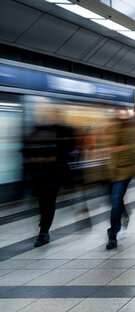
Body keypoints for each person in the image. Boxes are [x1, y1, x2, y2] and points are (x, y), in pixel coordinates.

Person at [22, 104, 75, 247]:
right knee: (43, 203)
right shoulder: (34, 133)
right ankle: (43, 227)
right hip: (38, 176)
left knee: (48, 203)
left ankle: (44, 231)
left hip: (53, 175)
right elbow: (26, 152)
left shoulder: (62, 132)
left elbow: (67, 153)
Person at [105, 110, 135, 250]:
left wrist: (120, 148)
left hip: (124, 171)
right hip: (109, 171)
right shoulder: (109, 128)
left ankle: (112, 235)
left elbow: (134, 147)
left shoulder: (131, 130)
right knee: (113, 200)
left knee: (116, 200)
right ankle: (124, 214)